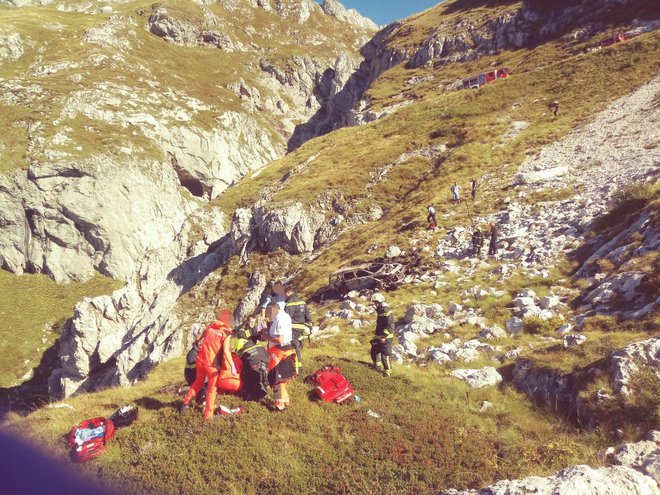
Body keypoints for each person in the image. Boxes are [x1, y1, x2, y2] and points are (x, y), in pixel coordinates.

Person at [179, 310, 235, 419]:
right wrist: (232, 366)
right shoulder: (226, 333)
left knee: (198, 383)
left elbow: (199, 338)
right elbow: (226, 352)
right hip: (212, 365)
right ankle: (208, 415)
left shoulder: (210, 327)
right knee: (212, 389)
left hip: (200, 361)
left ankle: (185, 404)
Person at [266, 302, 296, 411]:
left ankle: (280, 406)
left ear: (273, 309)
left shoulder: (281, 319)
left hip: (280, 351)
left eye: (269, 313)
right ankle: (285, 401)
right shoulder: (281, 317)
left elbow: (280, 339)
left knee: (278, 379)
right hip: (280, 350)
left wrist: (266, 337)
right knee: (281, 378)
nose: (268, 315)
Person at [233, 315, 269, 401]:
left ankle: (261, 391)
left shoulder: (253, 330)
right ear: (247, 322)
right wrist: (258, 328)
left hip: (253, 353)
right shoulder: (242, 329)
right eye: (251, 322)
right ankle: (248, 392)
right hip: (244, 354)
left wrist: (263, 331)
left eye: (254, 323)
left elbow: (261, 338)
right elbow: (242, 335)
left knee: (260, 370)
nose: (252, 324)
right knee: (247, 373)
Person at [284, 285, 312, 375]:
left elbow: (286, 318)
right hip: (301, 327)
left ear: (289, 293)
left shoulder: (289, 304)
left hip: (293, 328)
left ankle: (297, 370)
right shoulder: (302, 302)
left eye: (285, 295)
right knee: (297, 344)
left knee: (295, 348)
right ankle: (300, 341)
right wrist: (309, 322)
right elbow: (308, 315)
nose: (285, 297)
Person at [370, 293, 394, 377]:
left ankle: (387, 371)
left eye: (376, 302)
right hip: (379, 336)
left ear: (381, 302)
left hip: (386, 337)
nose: (375, 304)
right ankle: (377, 366)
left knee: (385, 354)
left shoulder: (387, 311)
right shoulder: (380, 310)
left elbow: (390, 326)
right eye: (374, 302)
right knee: (374, 351)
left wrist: (384, 337)